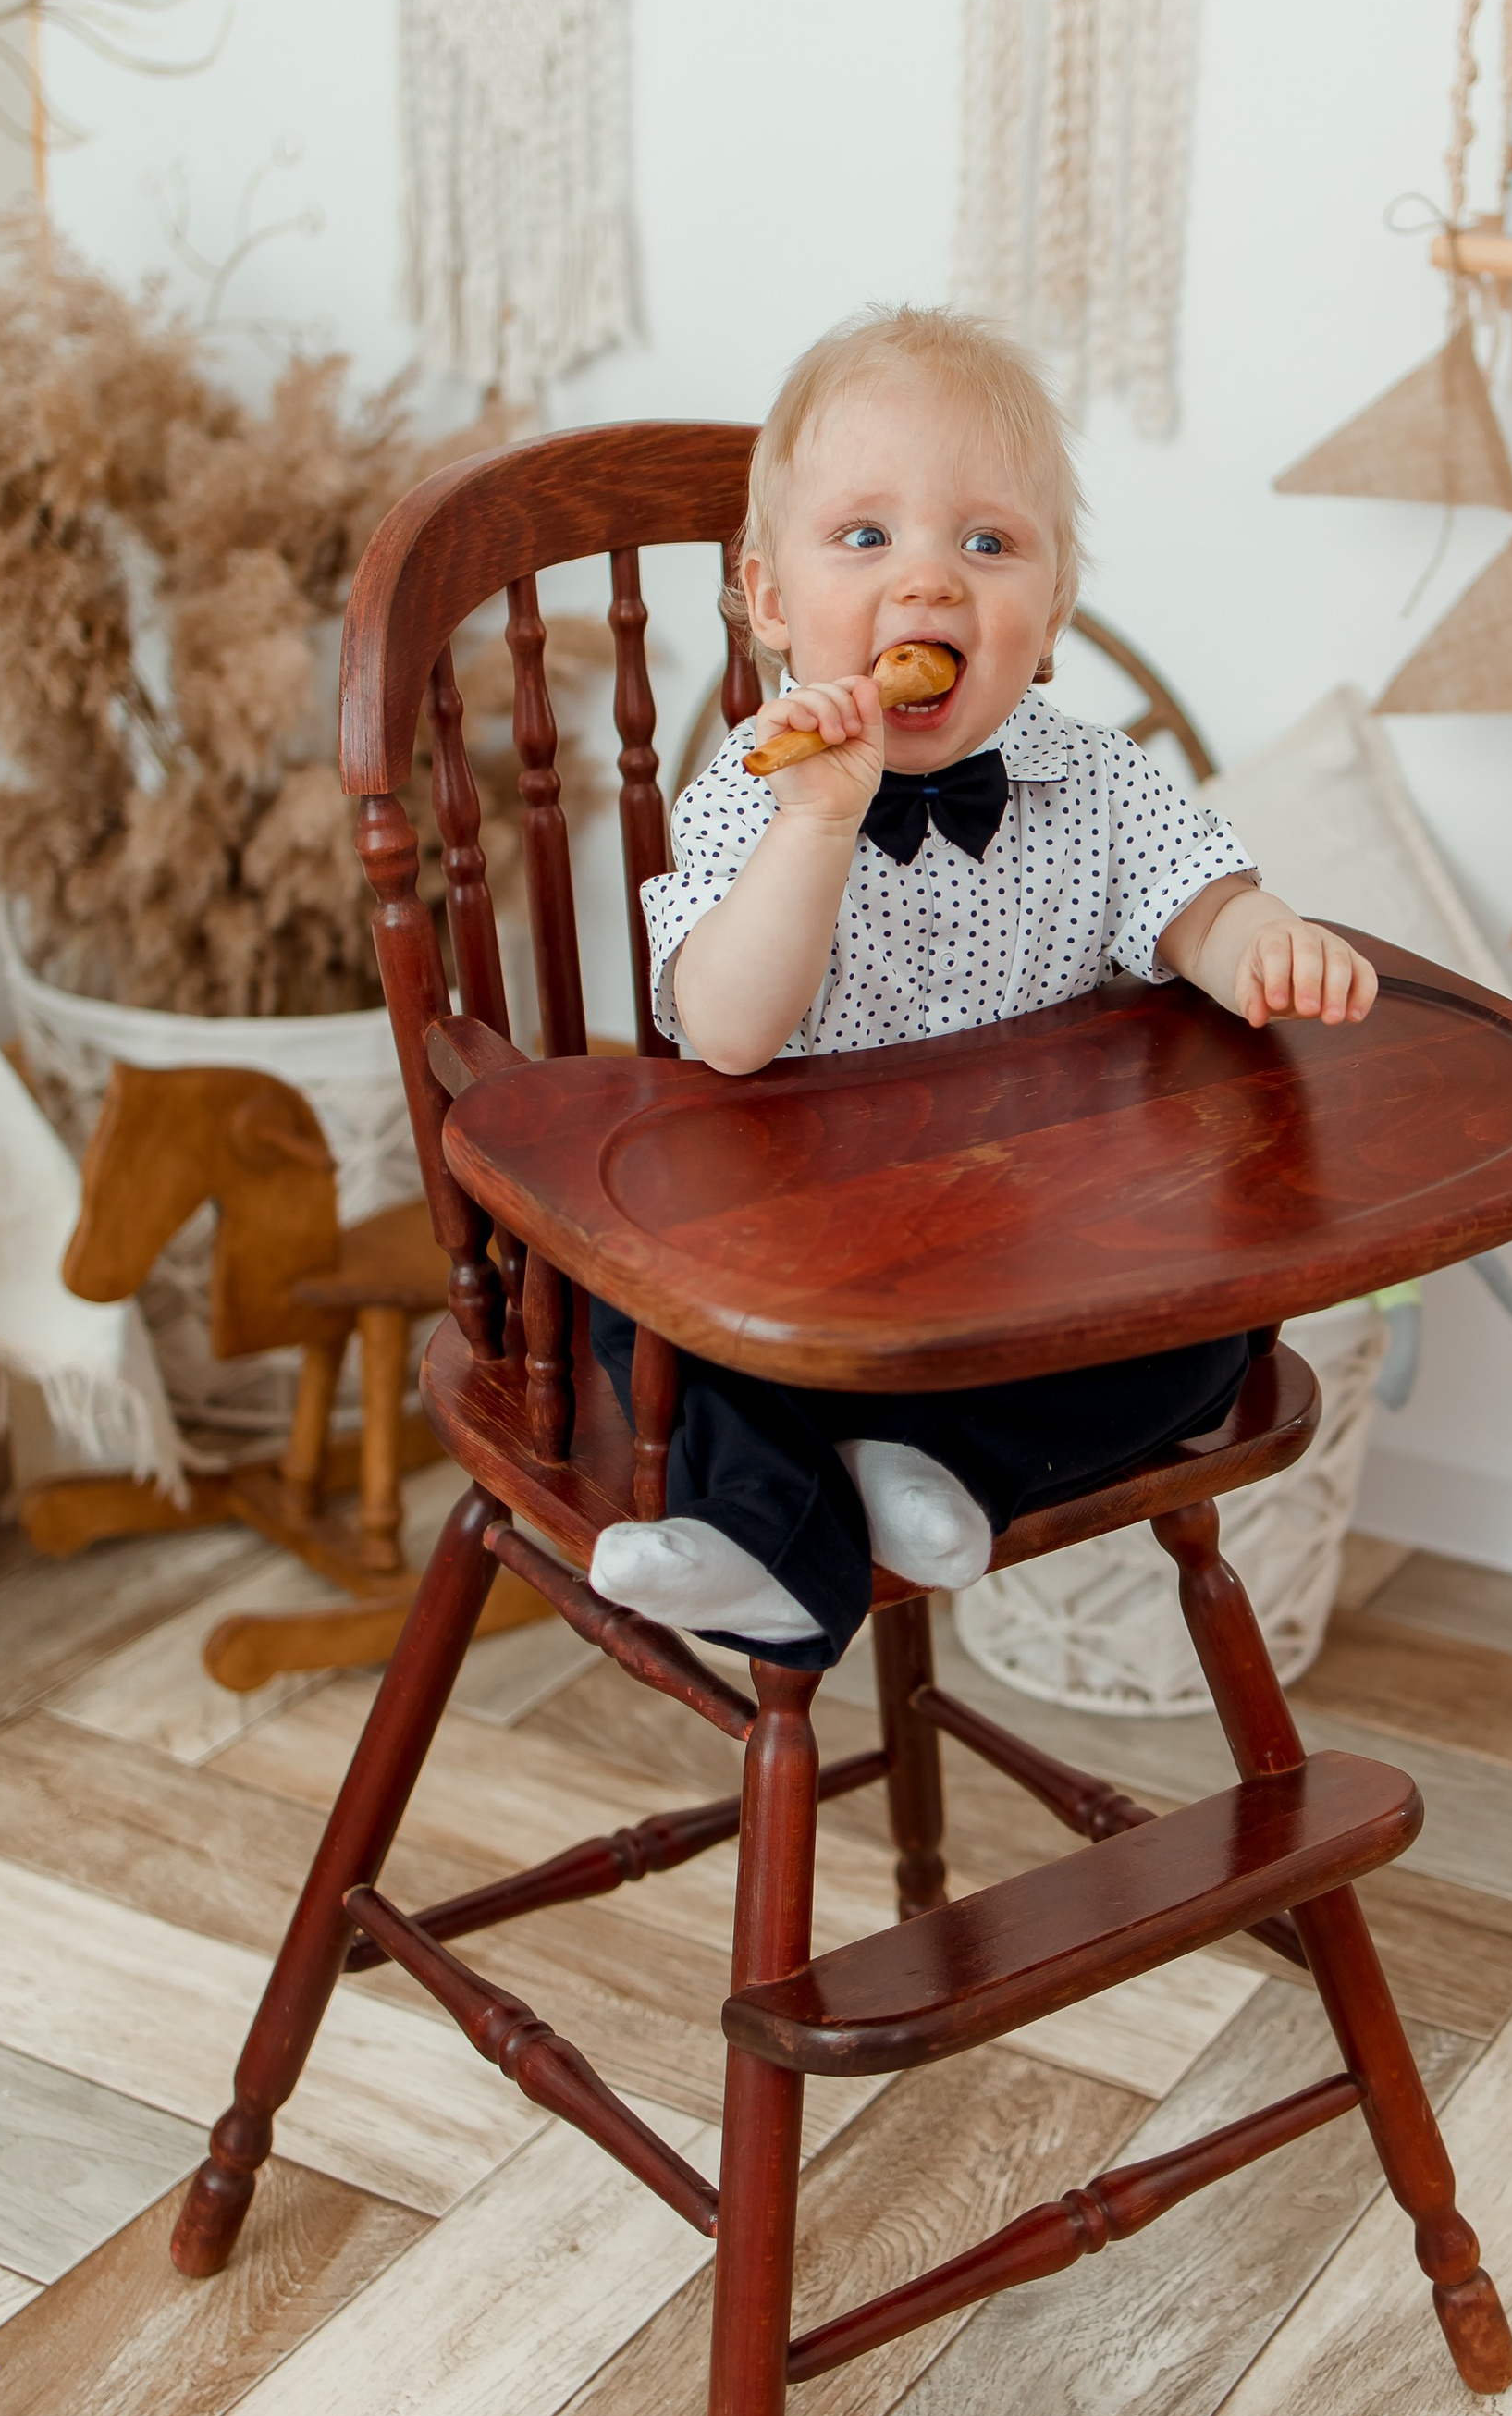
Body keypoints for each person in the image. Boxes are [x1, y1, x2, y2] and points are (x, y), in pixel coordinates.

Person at [587, 303, 1376, 1659]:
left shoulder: (1106, 782)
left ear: (1052, 615)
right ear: (773, 603)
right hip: (799, 1239)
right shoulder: (754, 793)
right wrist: (820, 826)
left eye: (989, 544)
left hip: (1033, 1244)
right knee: (617, 1288)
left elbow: (1202, 907)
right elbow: (721, 1035)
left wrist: (1269, 944)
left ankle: (944, 1465)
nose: (930, 585)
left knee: (1213, 1334)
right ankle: (771, 1534)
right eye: (864, 537)